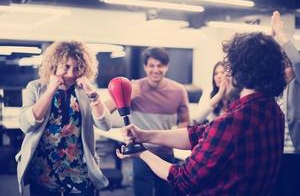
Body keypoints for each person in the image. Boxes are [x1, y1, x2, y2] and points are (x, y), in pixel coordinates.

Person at [117, 32, 286, 195]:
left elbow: (183, 179)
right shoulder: (274, 111)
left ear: (238, 72)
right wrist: (145, 136)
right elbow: (197, 134)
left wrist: (141, 153)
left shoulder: (231, 123)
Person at [17, 41, 112, 196]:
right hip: (43, 171)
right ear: (54, 65)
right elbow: (25, 125)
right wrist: (51, 90)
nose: (71, 74)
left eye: (77, 68)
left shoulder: (84, 92)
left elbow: (105, 125)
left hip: (79, 171)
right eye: (66, 67)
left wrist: (92, 94)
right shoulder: (35, 87)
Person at [106, 47, 190, 196]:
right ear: (145, 67)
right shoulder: (133, 87)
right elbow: (105, 110)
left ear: (167, 67)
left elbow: (185, 123)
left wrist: (174, 137)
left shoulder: (179, 90)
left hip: (166, 153)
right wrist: (128, 96)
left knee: (166, 193)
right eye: (151, 65)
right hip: (140, 154)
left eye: (160, 65)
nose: (155, 70)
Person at [271, 11, 300, 153]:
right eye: (280, 67)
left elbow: (298, 61)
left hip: (295, 153)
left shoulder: (297, 86)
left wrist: (280, 34)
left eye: (287, 66)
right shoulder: (274, 89)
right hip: (275, 154)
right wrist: (269, 39)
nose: (283, 70)